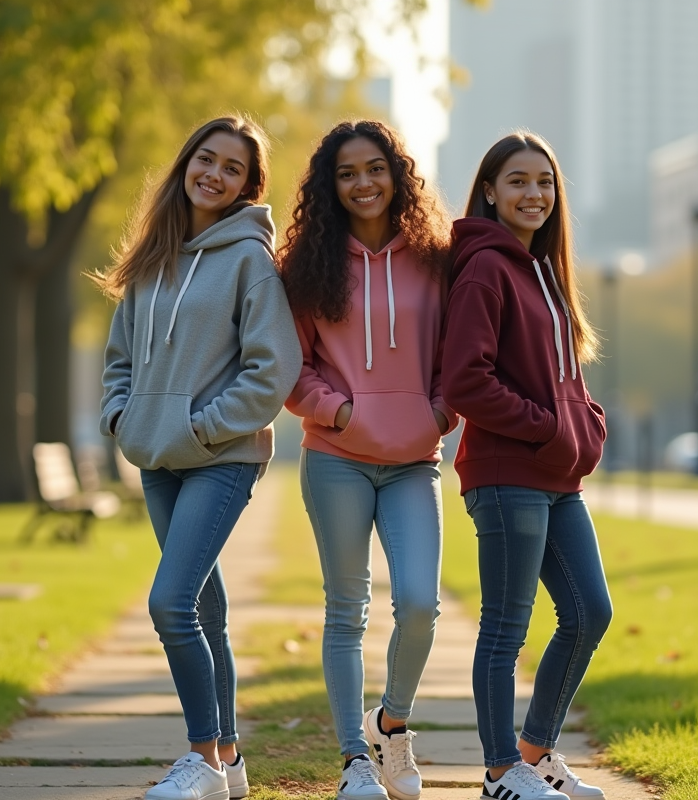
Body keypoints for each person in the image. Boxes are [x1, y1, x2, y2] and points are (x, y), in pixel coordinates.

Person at [96, 116, 303, 800]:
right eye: (205, 159)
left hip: (223, 458)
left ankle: (202, 761)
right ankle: (232, 760)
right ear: (186, 163)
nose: (214, 174)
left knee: (171, 603)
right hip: (155, 457)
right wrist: (122, 418)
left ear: (249, 184)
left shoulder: (249, 258)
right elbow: (119, 357)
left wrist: (206, 427)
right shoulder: (153, 256)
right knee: (204, 609)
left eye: (232, 167)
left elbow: (272, 368)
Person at [278, 120, 456, 800]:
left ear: (397, 173)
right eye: (347, 173)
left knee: (418, 603)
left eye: (374, 168)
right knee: (345, 608)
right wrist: (342, 412)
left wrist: (438, 413)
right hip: (336, 459)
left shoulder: (436, 258)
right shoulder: (307, 268)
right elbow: (291, 372)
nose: (362, 183)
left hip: (415, 460)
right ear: (331, 186)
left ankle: (392, 726)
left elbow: (456, 360)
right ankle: (355, 759)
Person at [441, 132, 613, 800]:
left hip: (556, 478)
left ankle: (532, 753)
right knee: (506, 628)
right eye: (517, 181)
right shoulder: (486, 266)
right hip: (507, 473)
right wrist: (547, 427)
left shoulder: (543, 268)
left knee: (588, 613)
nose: (533, 193)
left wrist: (586, 420)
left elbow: (561, 373)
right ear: (489, 190)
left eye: (544, 182)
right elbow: (466, 382)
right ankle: (497, 772)